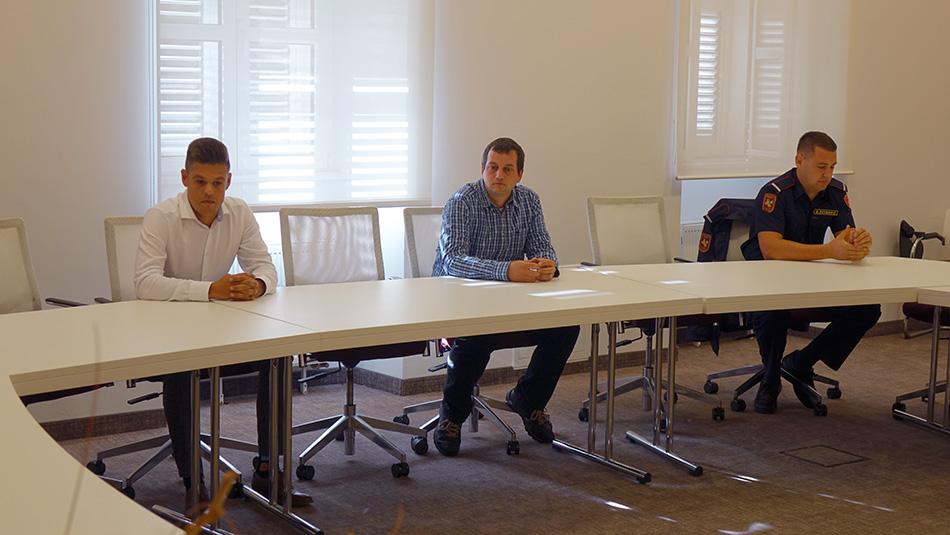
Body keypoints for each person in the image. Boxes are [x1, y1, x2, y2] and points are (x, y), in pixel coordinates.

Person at [135, 137, 312, 513]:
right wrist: (210, 290)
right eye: (200, 181)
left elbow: (265, 266)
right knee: (182, 369)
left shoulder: (239, 212)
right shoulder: (160, 217)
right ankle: (192, 482)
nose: (209, 192)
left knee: (276, 357)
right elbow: (145, 283)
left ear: (228, 181)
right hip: (169, 333)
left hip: (221, 331)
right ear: (185, 178)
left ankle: (268, 469)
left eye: (217, 183)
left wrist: (257, 284)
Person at [431, 137, 580, 456]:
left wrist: (547, 264)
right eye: (492, 167)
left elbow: (542, 244)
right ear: (482, 169)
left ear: (519, 174)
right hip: (460, 301)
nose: (498, 175)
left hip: (511, 301)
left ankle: (529, 399)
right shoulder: (462, 201)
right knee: (477, 335)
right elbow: (452, 260)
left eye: (507, 169)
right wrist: (507, 270)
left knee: (566, 326)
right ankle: (452, 416)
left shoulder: (529, 200)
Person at [741, 131, 881, 414]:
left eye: (832, 167)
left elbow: (844, 236)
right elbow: (771, 249)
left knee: (867, 308)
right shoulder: (775, 193)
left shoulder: (836, 193)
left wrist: (857, 243)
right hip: (769, 280)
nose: (827, 174)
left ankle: (802, 362)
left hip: (813, 280)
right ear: (799, 160)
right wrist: (829, 251)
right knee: (773, 310)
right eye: (821, 166)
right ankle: (770, 379)